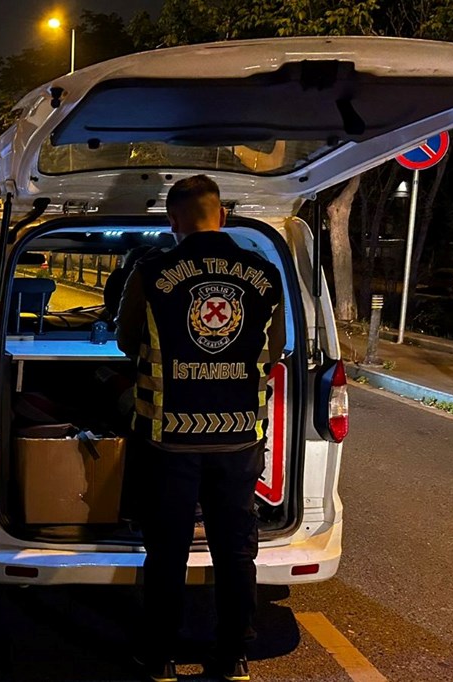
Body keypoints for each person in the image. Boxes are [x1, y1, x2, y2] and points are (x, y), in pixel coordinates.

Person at [116, 175, 285, 682]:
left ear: (173, 221)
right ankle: (233, 656)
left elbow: (127, 342)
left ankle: (160, 657)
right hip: (238, 438)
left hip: (168, 438)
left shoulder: (151, 272)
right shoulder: (264, 272)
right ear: (223, 216)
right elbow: (272, 351)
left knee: (166, 550)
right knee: (235, 550)